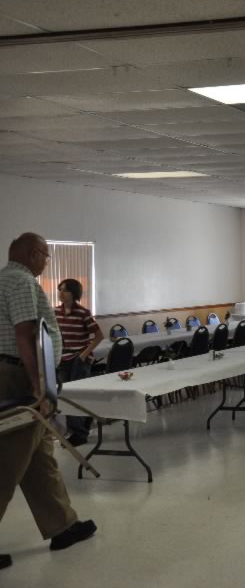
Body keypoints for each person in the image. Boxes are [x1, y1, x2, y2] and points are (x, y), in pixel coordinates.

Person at [0, 233, 97, 571]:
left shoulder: (5, 278)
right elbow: (25, 334)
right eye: (45, 255)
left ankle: (62, 526)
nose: (46, 262)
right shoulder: (21, 281)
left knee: (39, 457)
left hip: (16, 373)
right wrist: (40, 386)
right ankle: (62, 525)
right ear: (32, 254)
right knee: (7, 462)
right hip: (18, 377)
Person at [54, 279, 103, 447]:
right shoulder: (55, 312)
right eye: (60, 289)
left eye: (65, 290)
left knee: (77, 395)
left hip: (79, 360)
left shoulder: (83, 312)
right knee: (65, 396)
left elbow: (99, 336)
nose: (61, 293)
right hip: (62, 359)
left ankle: (80, 433)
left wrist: (83, 355)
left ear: (74, 293)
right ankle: (76, 429)